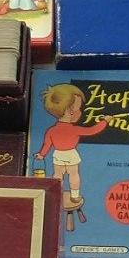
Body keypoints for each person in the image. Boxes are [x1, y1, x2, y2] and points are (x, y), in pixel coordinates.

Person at [34, 83, 109, 233]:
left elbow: (47, 144)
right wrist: (105, 121)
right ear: (70, 111)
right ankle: (75, 196)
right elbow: (92, 130)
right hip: (70, 154)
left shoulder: (51, 130)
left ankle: (57, 193)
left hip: (58, 155)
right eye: (79, 108)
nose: (80, 111)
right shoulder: (75, 129)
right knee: (74, 175)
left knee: (57, 175)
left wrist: (41, 155)